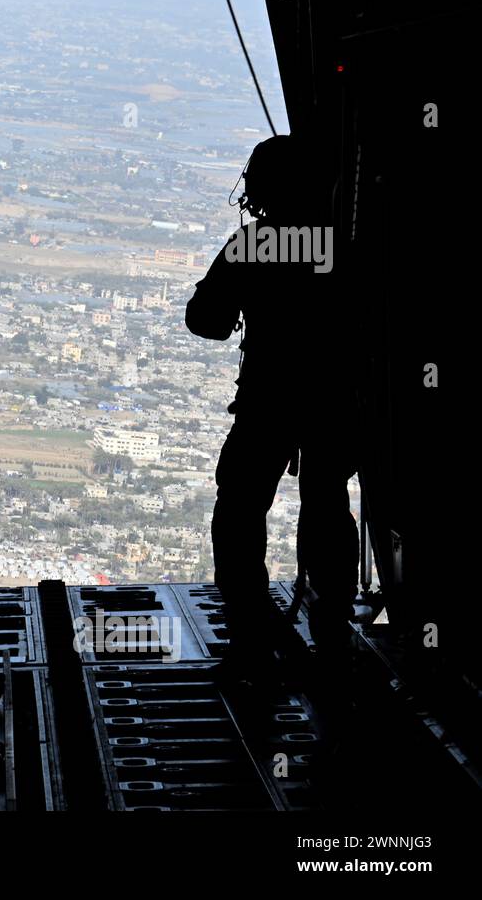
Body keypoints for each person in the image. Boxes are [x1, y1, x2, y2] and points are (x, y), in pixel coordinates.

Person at [185, 134, 359, 688]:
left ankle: (250, 645)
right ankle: (335, 639)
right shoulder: (346, 247)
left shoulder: (255, 246)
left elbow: (206, 320)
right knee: (328, 510)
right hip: (332, 402)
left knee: (238, 512)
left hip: (268, 403)